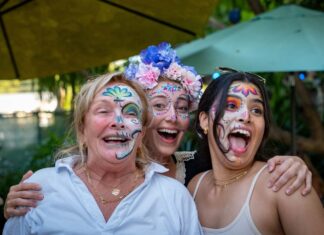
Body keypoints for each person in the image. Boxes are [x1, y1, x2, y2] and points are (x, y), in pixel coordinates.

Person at [3, 42, 313, 219]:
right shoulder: (57, 185)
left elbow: (247, 177)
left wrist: (293, 164)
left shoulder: (202, 167)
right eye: (160, 105)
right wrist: (18, 209)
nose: (173, 117)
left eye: (182, 107)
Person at [3, 72, 202, 234]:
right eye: (103, 110)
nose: (118, 121)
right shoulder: (39, 190)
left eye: (130, 112)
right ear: (82, 130)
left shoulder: (175, 198)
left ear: (141, 134)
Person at [188, 68, 324, 234]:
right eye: (231, 105)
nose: (245, 116)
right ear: (204, 121)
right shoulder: (194, 187)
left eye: (256, 110)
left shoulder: (284, 182)